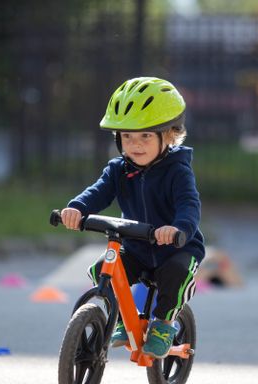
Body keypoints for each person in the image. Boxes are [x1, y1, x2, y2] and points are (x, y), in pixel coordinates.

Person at [60, 76, 205, 359]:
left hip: (176, 247)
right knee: (104, 268)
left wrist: (178, 228)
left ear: (170, 134)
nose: (135, 145)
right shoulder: (118, 169)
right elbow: (99, 192)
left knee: (176, 273)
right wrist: (77, 208)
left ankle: (164, 324)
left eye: (145, 136)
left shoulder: (177, 171)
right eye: (127, 136)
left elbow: (189, 203)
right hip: (137, 247)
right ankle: (120, 319)